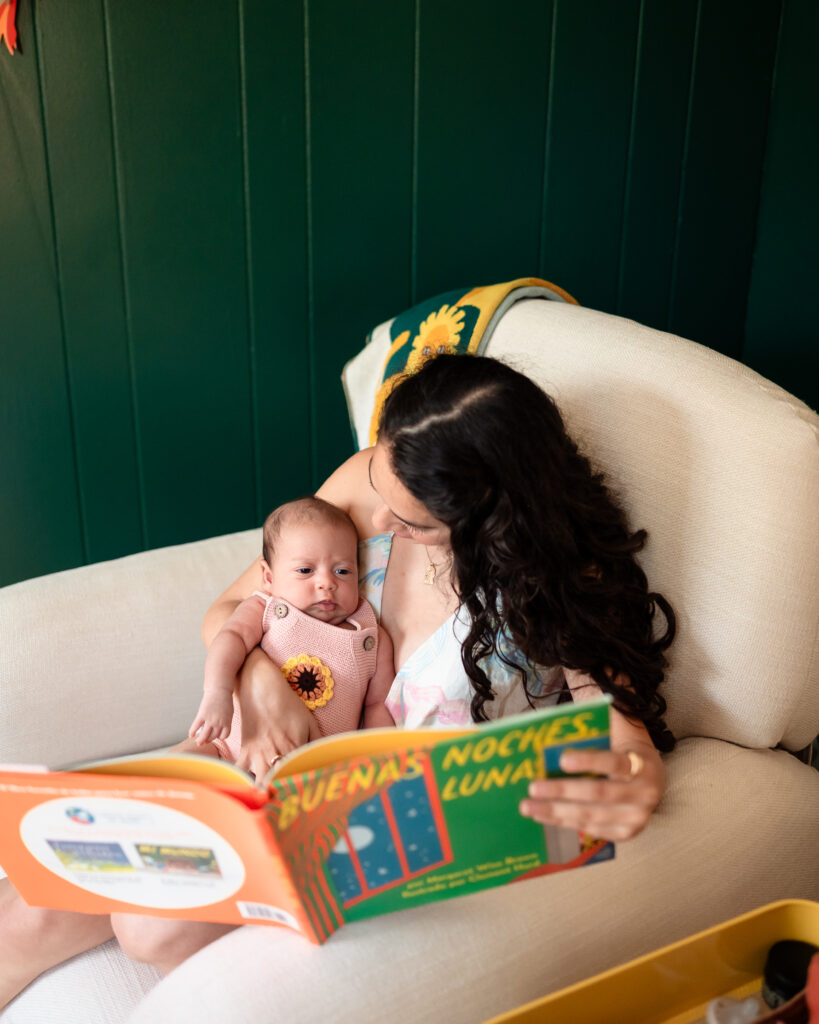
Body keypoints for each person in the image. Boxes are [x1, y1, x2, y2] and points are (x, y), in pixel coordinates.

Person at [0, 352, 675, 1006]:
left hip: (374, 814)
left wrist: (634, 777)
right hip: (263, 763)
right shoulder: (367, 482)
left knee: (150, 922)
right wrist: (261, 683)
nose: (376, 523)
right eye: (380, 487)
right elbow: (229, 611)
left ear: (485, 524)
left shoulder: (556, 582)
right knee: (32, 904)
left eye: (411, 522)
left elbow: (622, 733)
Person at [188, 496, 394, 763]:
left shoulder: (372, 639)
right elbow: (230, 638)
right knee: (177, 767)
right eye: (306, 570)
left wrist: (384, 759)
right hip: (227, 748)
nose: (327, 583)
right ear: (269, 578)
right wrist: (218, 691)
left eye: (343, 571)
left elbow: (376, 705)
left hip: (317, 768)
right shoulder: (264, 609)